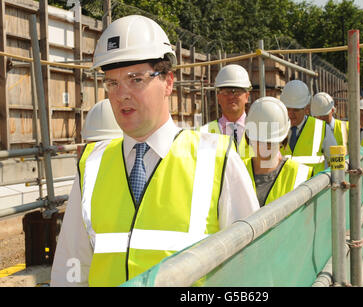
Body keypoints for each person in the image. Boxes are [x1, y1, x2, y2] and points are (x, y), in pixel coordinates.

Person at [50, 15, 260, 287]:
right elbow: (72, 265)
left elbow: (250, 270)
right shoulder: (92, 164)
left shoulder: (217, 159)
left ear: (168, 82)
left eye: (135, 80)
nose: (121, 94)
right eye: (112, 83)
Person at [244, 96, 313, 207]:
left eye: (270, 142)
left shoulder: (301, 175)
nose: (264, 148)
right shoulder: (238, 170)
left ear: (282, 139)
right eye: (259, 141)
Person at [279, 80, 337, 174]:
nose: (290, 114)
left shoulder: (322, 128)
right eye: (287, 109)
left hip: (312, 187)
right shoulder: (276, 128)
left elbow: (336, 161)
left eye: (296, 110)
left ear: (306, 108)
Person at [200, 64, 253, 159]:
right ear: (218, 97)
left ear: (247, 97)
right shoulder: (204, 133)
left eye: (237, 92)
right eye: (226, 92)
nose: (231, 96)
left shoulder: (260, 132)